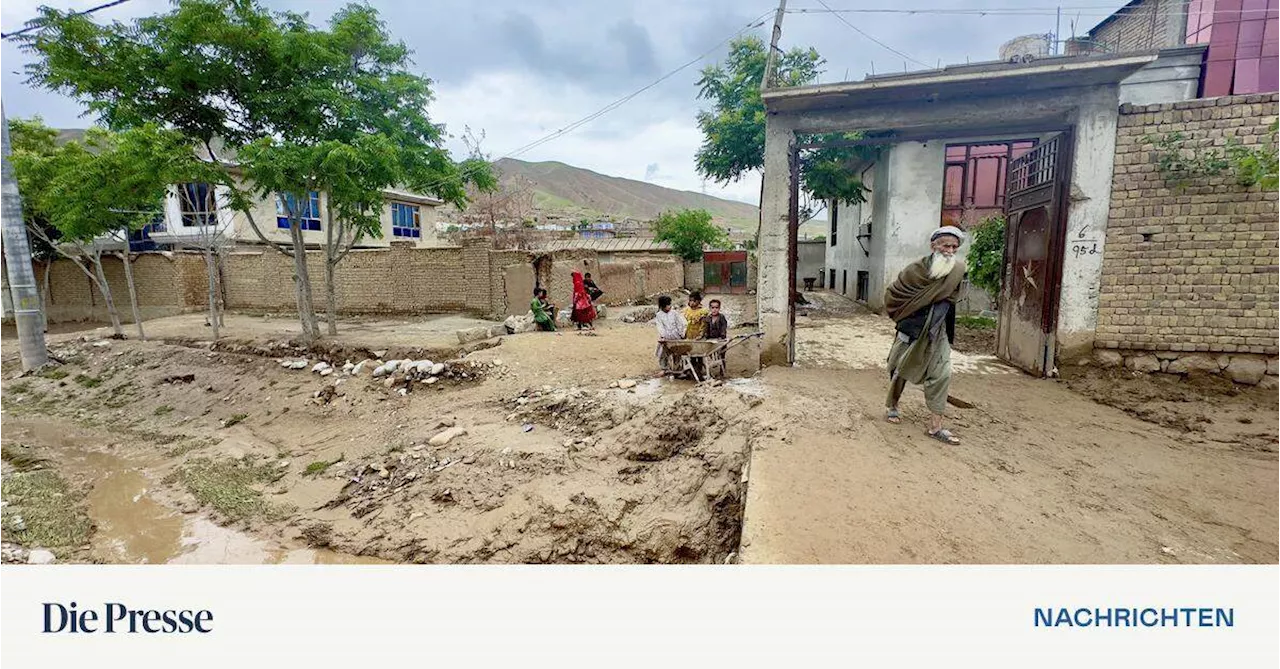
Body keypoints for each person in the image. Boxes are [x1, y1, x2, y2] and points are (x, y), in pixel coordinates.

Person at [883, 226, 967, 445]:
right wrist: (907, 317)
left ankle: (935, 426)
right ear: (934, 246)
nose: (949, 250)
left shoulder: (957, 270)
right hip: (912, 328)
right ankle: (892, 405)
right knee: (899, 367)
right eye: (945, 245)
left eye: (954, 247)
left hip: (938, 330)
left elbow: (952, 300)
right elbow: (894, 295)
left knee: (943, 373)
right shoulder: (915, 270)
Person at [654, 295, 687, 373]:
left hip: (676, 335)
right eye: (667, 305)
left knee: (678, 351)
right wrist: (664, 335)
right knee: (663, 351)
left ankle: (678, 367)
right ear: (662, 306)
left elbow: (680, 323)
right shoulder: (659, 315)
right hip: (666, 336)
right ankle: (664, 368)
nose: (669, 306)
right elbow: (660, 327)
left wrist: (681, 333)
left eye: (669, 304)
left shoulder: (674, 313)